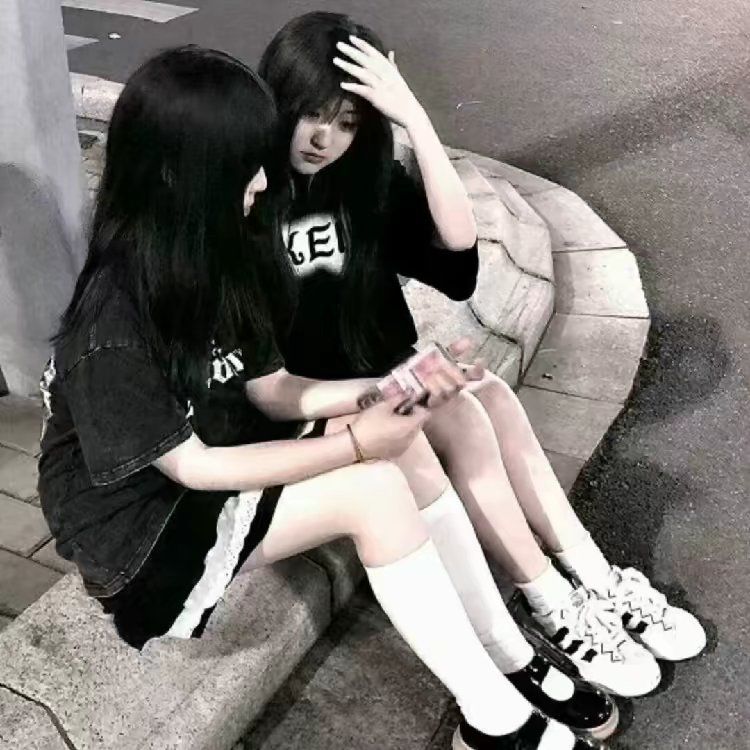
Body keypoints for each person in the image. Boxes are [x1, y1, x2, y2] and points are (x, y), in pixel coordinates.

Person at [36, 46, 602, 750]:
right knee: (375, 489)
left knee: (402, 445)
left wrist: (393, 389)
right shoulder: (113, 318)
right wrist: (358, 444)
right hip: (143, 532)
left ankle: (507, 657)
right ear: (180, 173)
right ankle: (494, 716)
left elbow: (273, 390)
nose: (265, 178)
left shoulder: (216, 251)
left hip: (217, 452)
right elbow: (193, 469)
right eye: (246, 164)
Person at [258, 9, 706, 707]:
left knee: (486, 394)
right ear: (279, 100)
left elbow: (460, 261)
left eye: (346, 121)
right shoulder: (250, 195)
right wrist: (387, 390)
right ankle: (554, 604)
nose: (324, 137)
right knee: (456, 415)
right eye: (311, 113)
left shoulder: (363, 178)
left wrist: (414, 119)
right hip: (315, 403)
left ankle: (593, 581)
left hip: (385, 376)